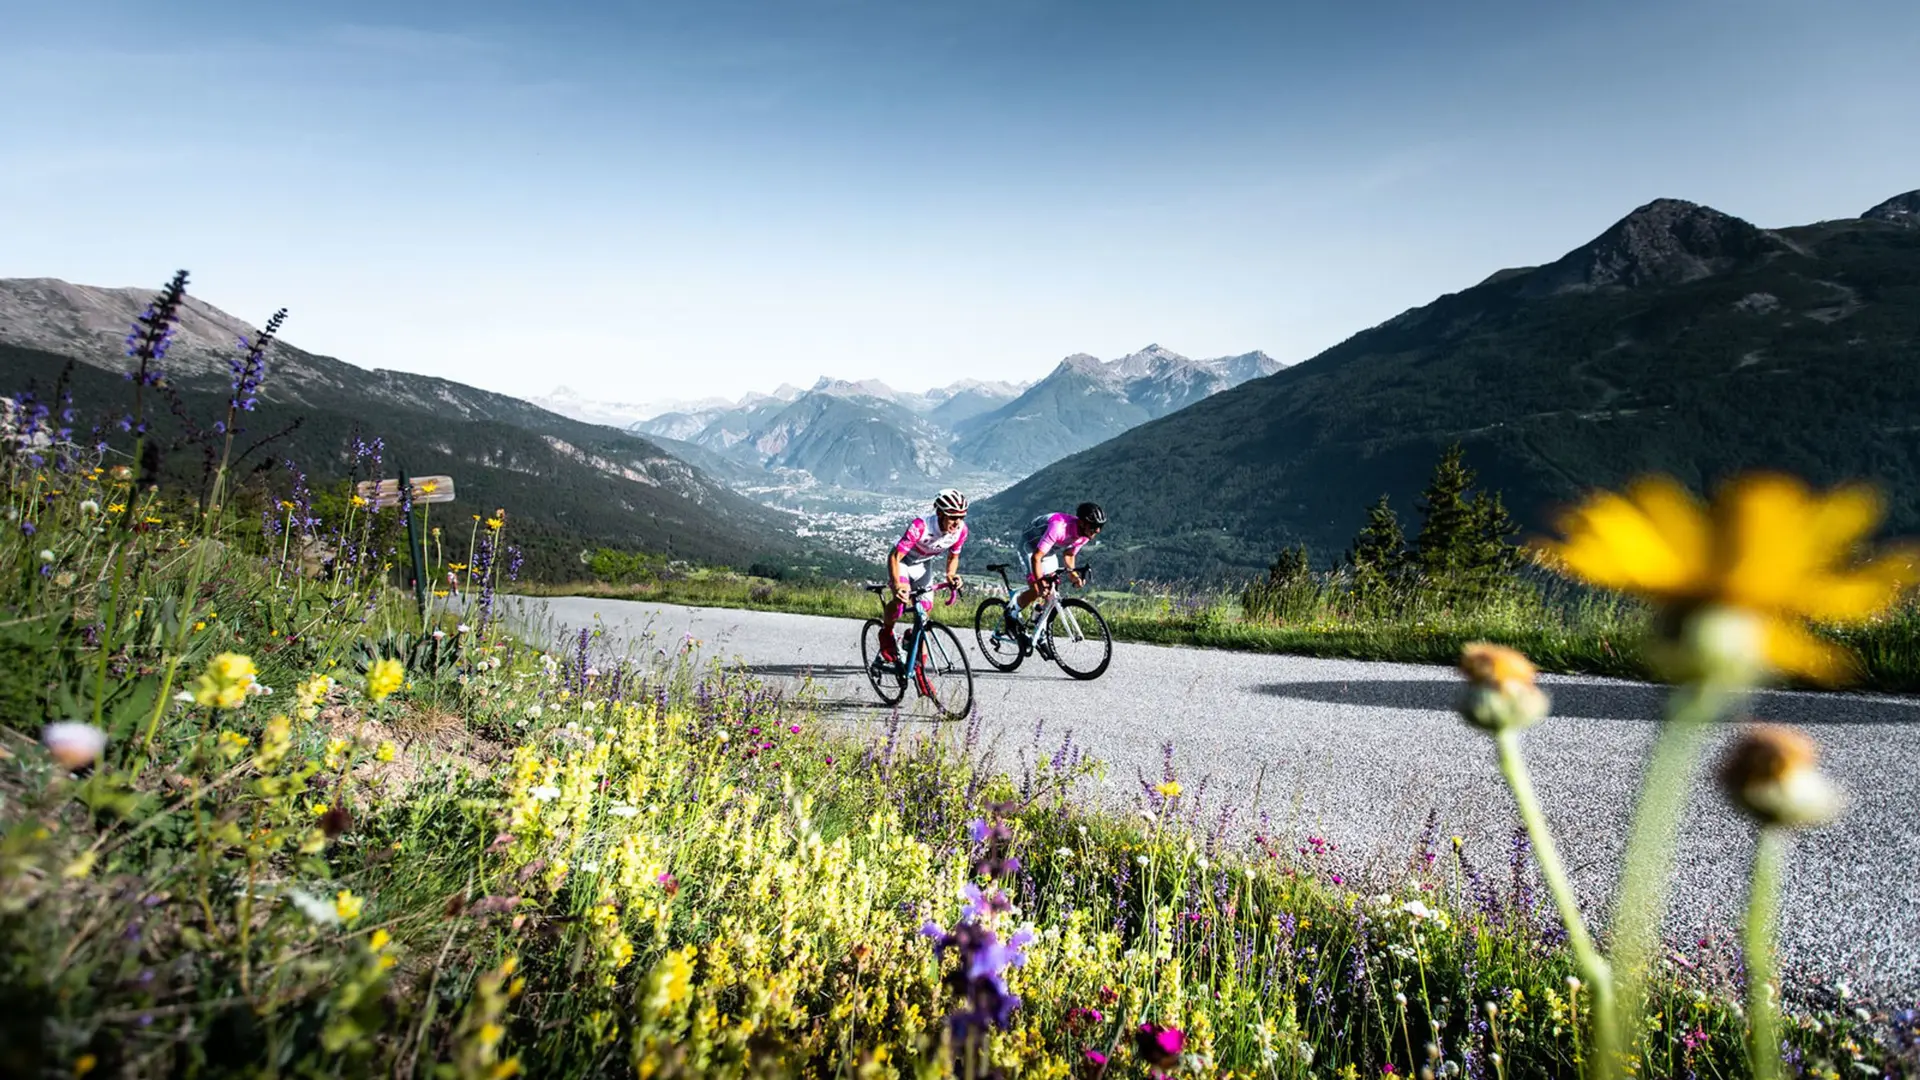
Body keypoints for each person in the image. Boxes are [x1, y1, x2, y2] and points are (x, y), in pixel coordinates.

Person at [879, 488, 969, 665]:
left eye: (961, 517)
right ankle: (886, 632)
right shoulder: (921, 526)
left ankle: (913, 649)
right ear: (940, 513)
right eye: (952, 516)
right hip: (903, 562)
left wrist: (951, 575)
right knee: (901, 601)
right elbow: (895, 557)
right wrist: (897, 585)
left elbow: (953, 557)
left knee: (924, 611)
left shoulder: (961, 531)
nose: (957, 522)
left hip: (922, 566)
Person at [1011, 501, 1106, 626]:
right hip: (1029, 547)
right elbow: (1036, 557)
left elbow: (1069, 554)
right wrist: (1039, 581)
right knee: (1037, 589)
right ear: (1082, 523)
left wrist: (1074, 576)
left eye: (1100, 526)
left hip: (1048, 551)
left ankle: (1037, 622)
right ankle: (1012, 612)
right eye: (1094, 526)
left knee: (1052, 589)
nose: (1097, 530)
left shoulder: (1085, 534)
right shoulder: (1059, 527)